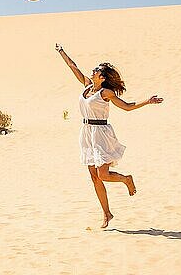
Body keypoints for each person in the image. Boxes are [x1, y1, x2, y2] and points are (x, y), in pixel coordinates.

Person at [55, 43, 163, 228]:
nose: (92, 71)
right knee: (94, 177)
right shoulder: (87, 86)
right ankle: (107, 213)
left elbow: (127, 107)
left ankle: (126, 179)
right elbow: (73, 66)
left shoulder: (106, 93)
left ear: (102, 77)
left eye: (96, 70)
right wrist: (61, 52)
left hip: (101, 134)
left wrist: (148, 101)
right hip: (87, 133)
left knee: (103, 174)